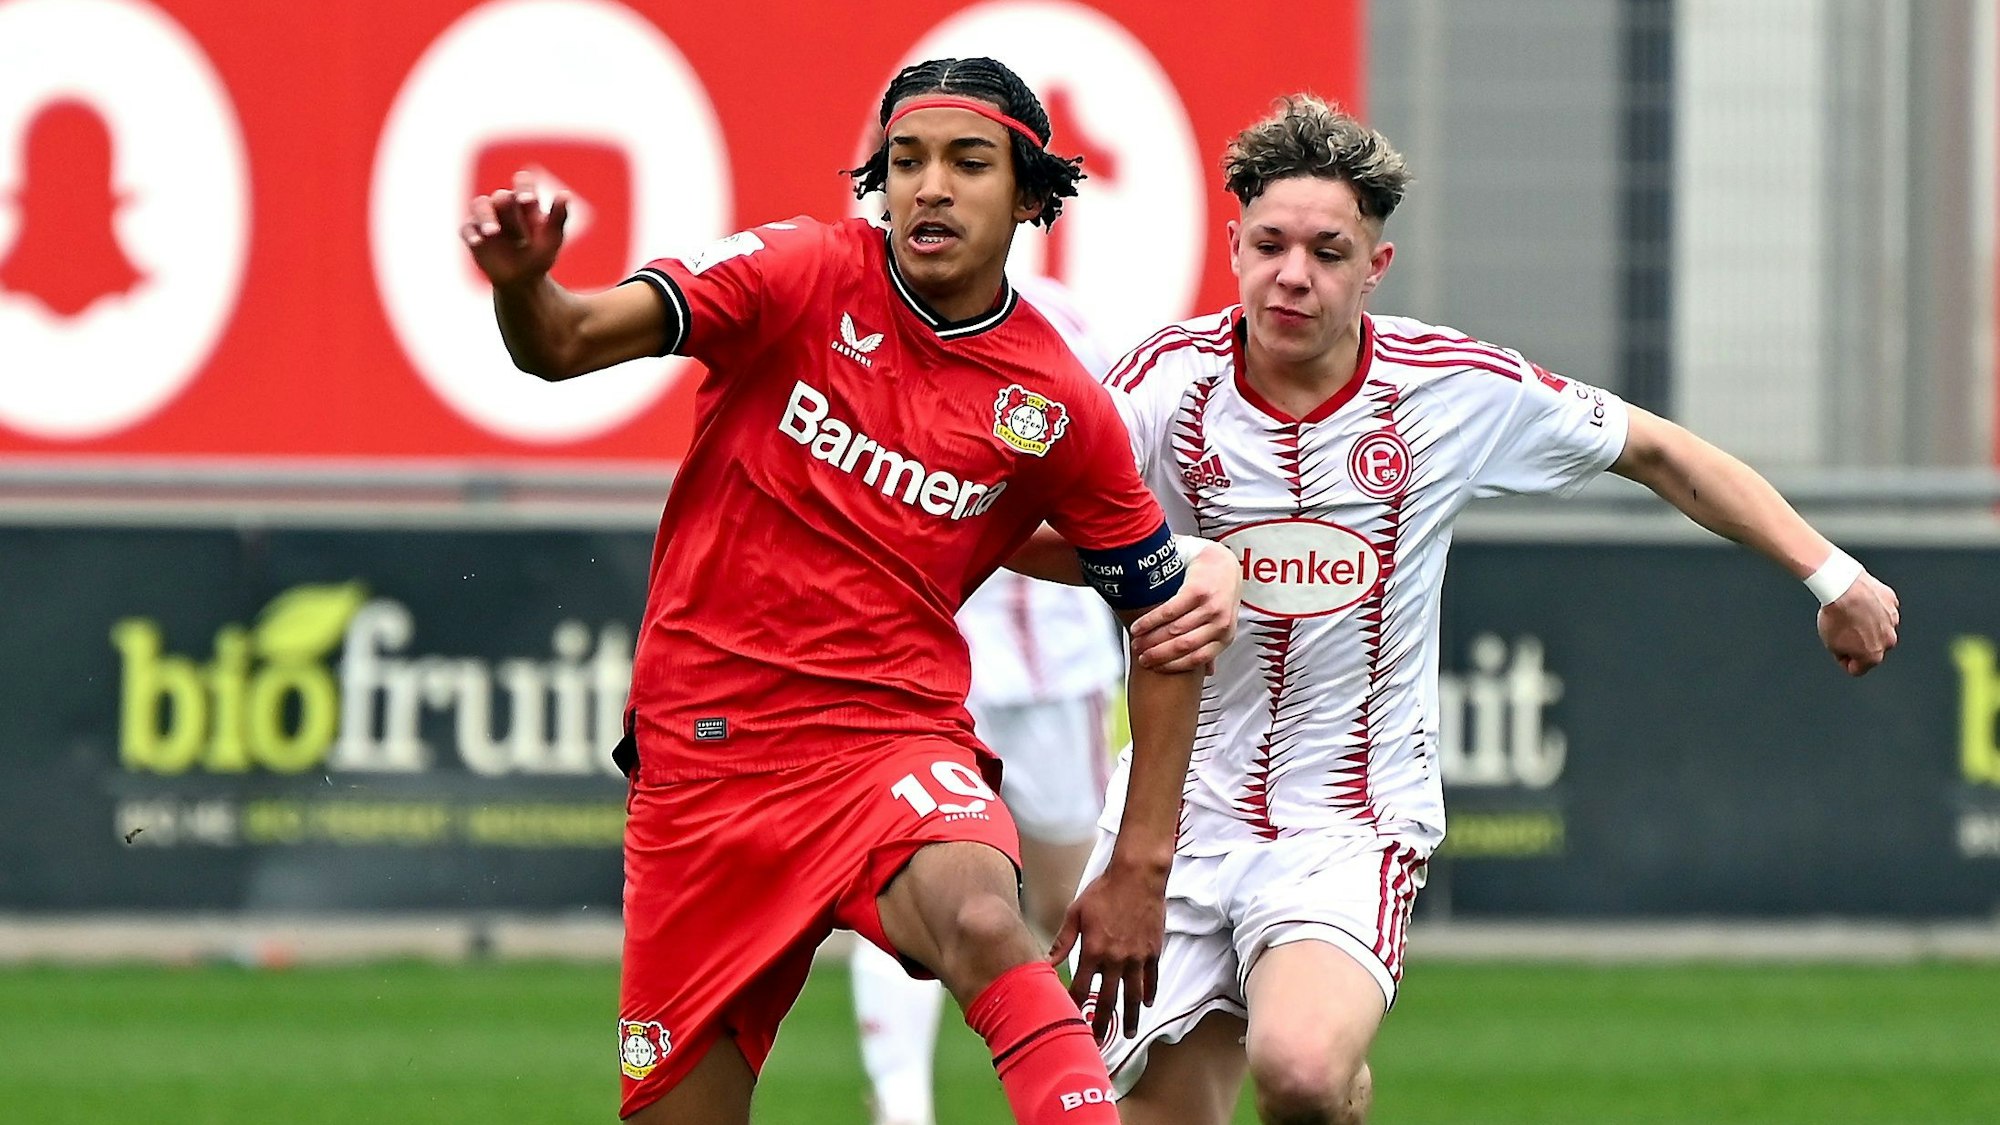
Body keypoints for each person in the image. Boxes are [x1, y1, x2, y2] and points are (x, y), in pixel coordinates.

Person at [1073, 95, 1901, 1125]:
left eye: (1327, 252)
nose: (1293, 274)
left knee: (1295, 1074)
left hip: (1351, 814)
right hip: (1180, 808)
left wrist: (1831, 577)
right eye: (1270, 244)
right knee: (1157, 1115)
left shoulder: (1449, 387)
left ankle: (1331, 1076)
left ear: (1373, 269)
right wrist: (1168, 559)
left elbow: (1655, 450)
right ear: (1232, 241)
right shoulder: (1158, 384)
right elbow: (1026, 521)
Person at [460, 57, 1241, 1124]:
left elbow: (1159, 613)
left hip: (886, 736)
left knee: (978, 918)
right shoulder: (792, 275)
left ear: (1027, 193)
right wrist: (522, 285)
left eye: (967, 163)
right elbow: (562, 344)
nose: (927, 186)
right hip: (704, 764)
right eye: (904, 162)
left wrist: (1140, 866)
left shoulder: (1054, 398)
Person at [850, 275, 1128, 1125]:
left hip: (1054, 675)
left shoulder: (1072, 329)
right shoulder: (849, 324)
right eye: (896, 162)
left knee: (1070, 898)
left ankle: (1096, 1089)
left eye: (967, 161)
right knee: (895, 881)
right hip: (915, 672)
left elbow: (1119, 490)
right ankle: (902, 1107)